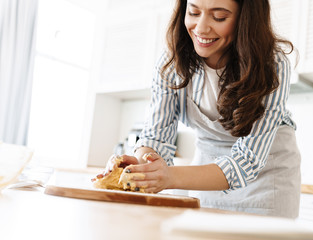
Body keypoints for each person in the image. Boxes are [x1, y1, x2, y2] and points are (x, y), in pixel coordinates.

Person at [103, 0, 301, 218]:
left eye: (219, 17)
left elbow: (248, 161)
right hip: (205, 173)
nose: (201, 28)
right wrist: (142, 166)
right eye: (194, 12)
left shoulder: (272, 64)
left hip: (266, 181)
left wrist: (169, 176)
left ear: (246, 20)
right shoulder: (172, 62)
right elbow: (156, 139)